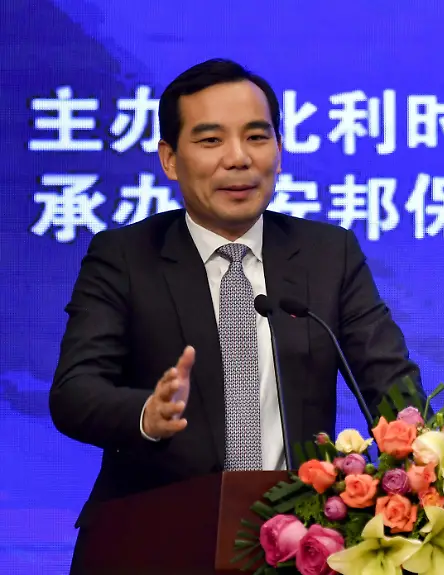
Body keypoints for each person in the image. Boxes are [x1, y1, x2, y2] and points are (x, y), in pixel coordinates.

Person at [48, 58, 424, 572]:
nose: (239, 158)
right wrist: (147, 415)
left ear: (279, 149)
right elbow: (74, 392)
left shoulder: (327, 254)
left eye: (256, 137)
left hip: (297, 544)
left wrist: (430, 457)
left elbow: (390, 384)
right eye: (210, 140)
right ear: (170, 159)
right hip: (152, 541)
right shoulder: (125, 257)